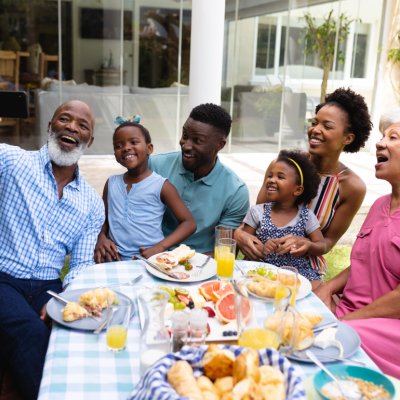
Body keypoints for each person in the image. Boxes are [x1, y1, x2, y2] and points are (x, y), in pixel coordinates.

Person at [0, 100, 105, 399]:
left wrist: (67, 299)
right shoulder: (10, 161)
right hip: (3, 278)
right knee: (31, 333)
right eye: (64, 119)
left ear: (90, 140)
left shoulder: (91, 203)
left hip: (50, 287)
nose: (72, 127)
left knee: (80, 332)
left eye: (82, 125)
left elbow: (82, 264)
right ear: (50, 126)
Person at [234, 88, 373, 289]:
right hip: (262, 260)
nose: (315, 129)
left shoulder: (352, 187)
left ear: (347, 138)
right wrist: (240, 234)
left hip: (304, 269)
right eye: (314, 122)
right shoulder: (281, 165)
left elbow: (329, 241)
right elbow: (259, 215)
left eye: (327, 126)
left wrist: (306, 244)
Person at [315, 109, 400, 379]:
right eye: (382, 136)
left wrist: (346, 321)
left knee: (322, 341)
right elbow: (363, 263)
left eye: (393, 137)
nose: (380, 143)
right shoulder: (378, 205)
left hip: (385, 325)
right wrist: (327, 287)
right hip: (352, 312)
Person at [145, 103, 249, 255]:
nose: (186, 146)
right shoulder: (154, 166)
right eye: (185, 136)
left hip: (200, 265)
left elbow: (225, 250)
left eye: (197, 140)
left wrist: (181, 261)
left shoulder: (235, 191)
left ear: (219, 145)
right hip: (150, 255)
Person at [94, 117, 196, 262]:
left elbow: (189, 223)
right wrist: (101, 238)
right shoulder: (111, 183)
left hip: (151, 260)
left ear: (149, 149)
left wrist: (159, 248)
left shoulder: (162, 186)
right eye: (118, 145)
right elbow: (102, 219)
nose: (126, 148)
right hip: (114, 259)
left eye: (134, 142)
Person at [242, 150, 325, 275]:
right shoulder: (257, 211)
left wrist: (308, 245)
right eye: (270, 175)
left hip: (295, 272)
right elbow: (247, 245)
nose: (271, 180)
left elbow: (321, 245)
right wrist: (263, 248)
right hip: (262, 269)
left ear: (298, 190)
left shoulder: (306, 215)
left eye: (280, 177)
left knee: (315, 287)